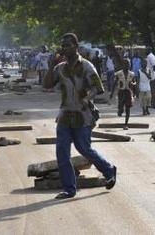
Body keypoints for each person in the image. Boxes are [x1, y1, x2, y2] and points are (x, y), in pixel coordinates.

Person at [43, 33, 116, 199]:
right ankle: (69, 188)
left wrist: (86, 98)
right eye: (63, 46)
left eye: (68, 45)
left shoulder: (87, 66)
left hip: (83, 115)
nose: (64, 48)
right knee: (62, 151)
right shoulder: (59, 68)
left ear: (76, 46)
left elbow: (98, 87)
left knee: (84, 148)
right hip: (64, 115)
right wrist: (50, 65)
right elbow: (47, 85)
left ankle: (108, 169)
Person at [110, 59, 136, 130]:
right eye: (125, 64)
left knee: (128, 108)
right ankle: (120, 110)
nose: (127, 65)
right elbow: (115, 83)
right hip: (121, 92)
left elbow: (135, 83)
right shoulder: (119, 73)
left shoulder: (132, 74)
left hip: (128, 92)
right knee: (121, 107)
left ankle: (126, 124)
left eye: (128, 64)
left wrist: (132, 84)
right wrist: (112, 93)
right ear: (122, 65)